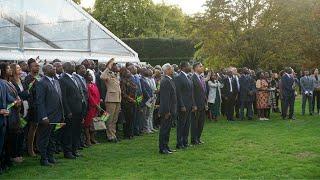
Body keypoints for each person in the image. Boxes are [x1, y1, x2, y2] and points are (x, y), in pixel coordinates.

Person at [35, 64, 63, 166]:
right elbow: (40, 101)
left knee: (52, 137)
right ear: (45, 71)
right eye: (51, 67)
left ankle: (51, 156)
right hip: (47, 116)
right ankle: (44, 158)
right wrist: (44, 116)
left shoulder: (56, 81)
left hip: (56, 115)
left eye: (54, 67)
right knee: (45, 138)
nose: (54, 68)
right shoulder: (41, 82)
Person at [59, 62, 85, 159]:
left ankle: (74, 150)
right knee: (68, 132)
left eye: (73, 65)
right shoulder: (62, 79)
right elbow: (64, 97)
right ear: (65, 68)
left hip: (78, 108)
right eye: (71, 65)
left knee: (76, 131)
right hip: (70, 110)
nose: (73, 66)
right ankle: (68, 152)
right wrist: (67, 111)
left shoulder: (75, 77)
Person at [0, 63, 22, 168]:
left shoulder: (9, 82)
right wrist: (15, 102)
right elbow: (9, 99)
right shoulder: (2, 83)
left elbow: (14, 96)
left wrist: (17, 101)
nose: (10, 70)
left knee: (8, 139)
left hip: (11, 114)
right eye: (7, 68)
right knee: (5, 141)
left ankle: (7, 160)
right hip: (7, 115)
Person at [100, 58, 121, 143]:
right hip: (110, 99)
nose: (117, 67)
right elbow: (102, 77)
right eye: (115, 65)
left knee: (115, 119)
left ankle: (113, 134)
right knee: (109, 118)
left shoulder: (115, 75)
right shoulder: (107, 74)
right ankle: (110, 136)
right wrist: (108, 67)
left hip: (117, 99)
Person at [174, 62, 194, 149]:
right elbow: (178, 93)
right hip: (183, 106)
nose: (190, 67)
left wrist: (193, 104)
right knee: (181, 125)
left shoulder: (188, 77)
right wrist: (181, 105)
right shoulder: (178, 78)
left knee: (187, 124)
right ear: (183, 67)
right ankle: (179, 143)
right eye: (188, 65)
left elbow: (191, 93)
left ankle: (185, 141)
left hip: (189, 105)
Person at [23, 58, 40, 157]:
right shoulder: (28, 79)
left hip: (41, 106)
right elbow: (27, 94)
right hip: (33, 107)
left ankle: (36, 146)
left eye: (38, 66)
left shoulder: (40, 77)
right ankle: (30, 149)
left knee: (39, 128)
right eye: (35, 66)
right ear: (30, 68)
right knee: (33, 128)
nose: (37, 67)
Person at [159, 63, 177, 154]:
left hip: (170, 109)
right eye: (171, 68)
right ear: (167, 70)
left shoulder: (169, 80)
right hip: (167, 110)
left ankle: (166, 146)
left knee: (167, 129)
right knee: (164, 129)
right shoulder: (166, 81)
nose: (172, 70)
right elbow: (165, 98)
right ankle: (163, 148)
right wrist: (167, 111)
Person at [0, 75, 15, 174]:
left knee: (1, 146)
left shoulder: (2, 83)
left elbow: (8, 99)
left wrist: (14, 102)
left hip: (2, 121)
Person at [191, 62, 207, 145]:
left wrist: (206, 103)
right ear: (196, 68)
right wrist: (193, 104)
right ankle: (194, 139)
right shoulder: (193, 78)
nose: (202, 67)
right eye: (200, 66)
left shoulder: (201, 77)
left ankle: (198, 138)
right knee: (195, 123)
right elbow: (192, 93)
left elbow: (204, 91)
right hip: (196, 104)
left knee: (201, 122)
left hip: (202, 104)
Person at [83, 71, 100, 146]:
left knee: (94, 123)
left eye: (91, 75)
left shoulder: (94, 84)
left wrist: (99, 103)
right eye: (89, 75)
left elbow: (98, 95)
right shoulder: (86, 85)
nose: (91, 77)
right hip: (91, 107)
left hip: (97, 107)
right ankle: (88, 139)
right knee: (88, 124)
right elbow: (90, 96)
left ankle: (93, 138)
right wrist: (95, 104)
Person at [120, 68, 137, 139]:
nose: (129, 73)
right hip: (126, 103)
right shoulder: (122, 81)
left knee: (132, 118)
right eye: (128, 72)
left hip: (133, 101)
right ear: (124, 73)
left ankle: (131, 133)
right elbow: (123, 93)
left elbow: (135, 87)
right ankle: (126, 134)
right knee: (127, 119)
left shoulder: (130, 80)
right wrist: (130, 99)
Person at [140, 68, 154, 134]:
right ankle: (145, 129)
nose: (147, 71)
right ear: (142, 72)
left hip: (150, 99)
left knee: (148, 114)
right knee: (145, 115)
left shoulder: (147, 79)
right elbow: (144, 90)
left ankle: (148, 128)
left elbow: (150, 88)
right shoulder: (141, 79)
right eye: (145, 70)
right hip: (146, 100)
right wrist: (149, 97)